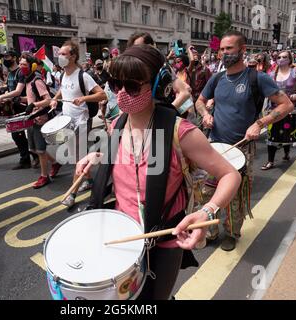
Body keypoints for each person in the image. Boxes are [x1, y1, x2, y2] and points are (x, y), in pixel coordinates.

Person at [76, 44, 242, 300]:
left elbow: (231, 174)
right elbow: (124, 163)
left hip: (162, 240)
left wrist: (206, 210)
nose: (120, 93)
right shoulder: (118, 123)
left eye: (131, 86)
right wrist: (96, 158)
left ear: (157, 85)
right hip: (122, 235)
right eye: (114, 84)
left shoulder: (181, 132)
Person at [195, 31, 294, 251]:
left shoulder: (257, 78)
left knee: (235, 195)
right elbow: (200, 101)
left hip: (242, 149)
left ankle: (231, 232)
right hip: (215, 146)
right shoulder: (217, 78)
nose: (223, 53)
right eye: (221, 49)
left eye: (228, 48)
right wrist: (205, 114)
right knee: (207, 192)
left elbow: (286, 105)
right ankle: (210, 231)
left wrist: (260, 124)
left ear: (242, 50)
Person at [50, 40, 106, 208]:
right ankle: (88, 180)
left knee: (78, 158)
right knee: (76, 157)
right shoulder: (62, 75)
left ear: (73, 56)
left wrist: (84, 98)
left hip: (81, 122)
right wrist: (54, 99)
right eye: (59, 54)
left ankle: (72, 194)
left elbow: (102, 95)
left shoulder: (83, 76)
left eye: (63, 54)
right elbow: (62, 89)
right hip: (67, 121)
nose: (59, 57)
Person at [0, 49, 39, 170]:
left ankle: (34, 156)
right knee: (17, 134)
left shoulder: (20, 72)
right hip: (14, 107)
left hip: (24, 106)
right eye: (3, 57)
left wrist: (3, 96)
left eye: (7, 57)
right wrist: (1, 90)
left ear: (14, 58)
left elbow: (18, 91)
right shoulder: (10, 74)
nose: (5, 60)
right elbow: (10, 89)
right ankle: (27, 158)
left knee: (27, 133)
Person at [261, 51, 296, 170]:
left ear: (290, 59)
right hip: (274, 109)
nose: (281, 59)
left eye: (284, 57)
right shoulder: (272, 74)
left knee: (287, 132)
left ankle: (286, 153)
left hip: (289, 108)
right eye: (279, 57)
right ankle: (270, 161)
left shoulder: (295, 72)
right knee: (272, 135)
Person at [20, 53, 59, 189]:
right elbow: (32, 98)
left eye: (24, 64)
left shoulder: (37, 80)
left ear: (33, 66)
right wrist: (21, 100)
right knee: (34, 149)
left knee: (40, 150)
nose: (21, 67)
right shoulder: (28, 80)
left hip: (40, 118)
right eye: (20, 64)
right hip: (32, 117)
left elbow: (48, 100)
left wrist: (34, 105)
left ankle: (44, 176)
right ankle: (54, 162)